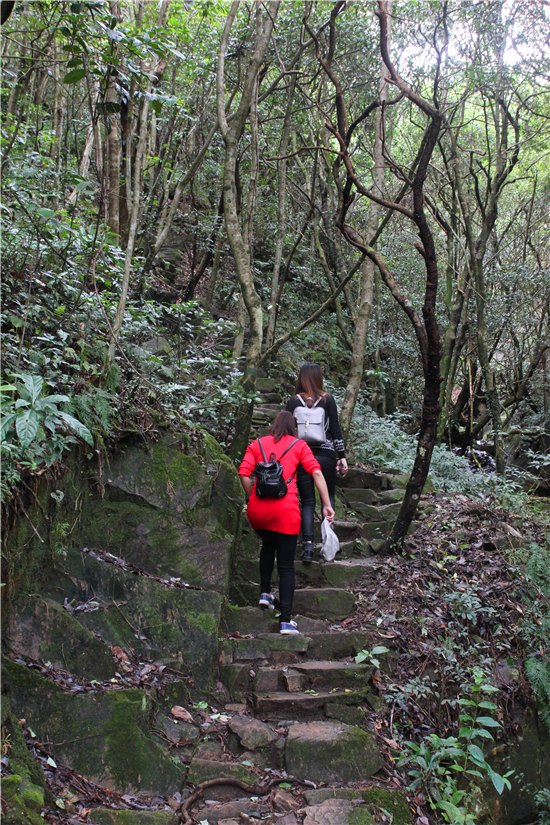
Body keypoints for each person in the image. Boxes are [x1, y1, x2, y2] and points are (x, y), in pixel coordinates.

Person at [238, 411, 335, 634]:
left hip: (258, 511)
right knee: (286, 566)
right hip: (285, 511)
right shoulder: (299, 445)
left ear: (273, 426)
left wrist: (252, 496)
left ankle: (265, 593)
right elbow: (316, 473)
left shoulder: (257, 444)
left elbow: (243, 473)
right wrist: (326, 504)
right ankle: (285, 621)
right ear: (294, 428)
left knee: (267, 545)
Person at [285, 363, 348, 562]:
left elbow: (288, 433)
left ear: (301, 378)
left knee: (307, 502)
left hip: (302, 456)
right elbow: (335, 430)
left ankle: (308, 547)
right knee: (328, 496)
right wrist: (342, 456)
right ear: (318, 378)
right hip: (326, 455)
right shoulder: (328, 400)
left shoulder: (293, 402)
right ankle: (329, 542)